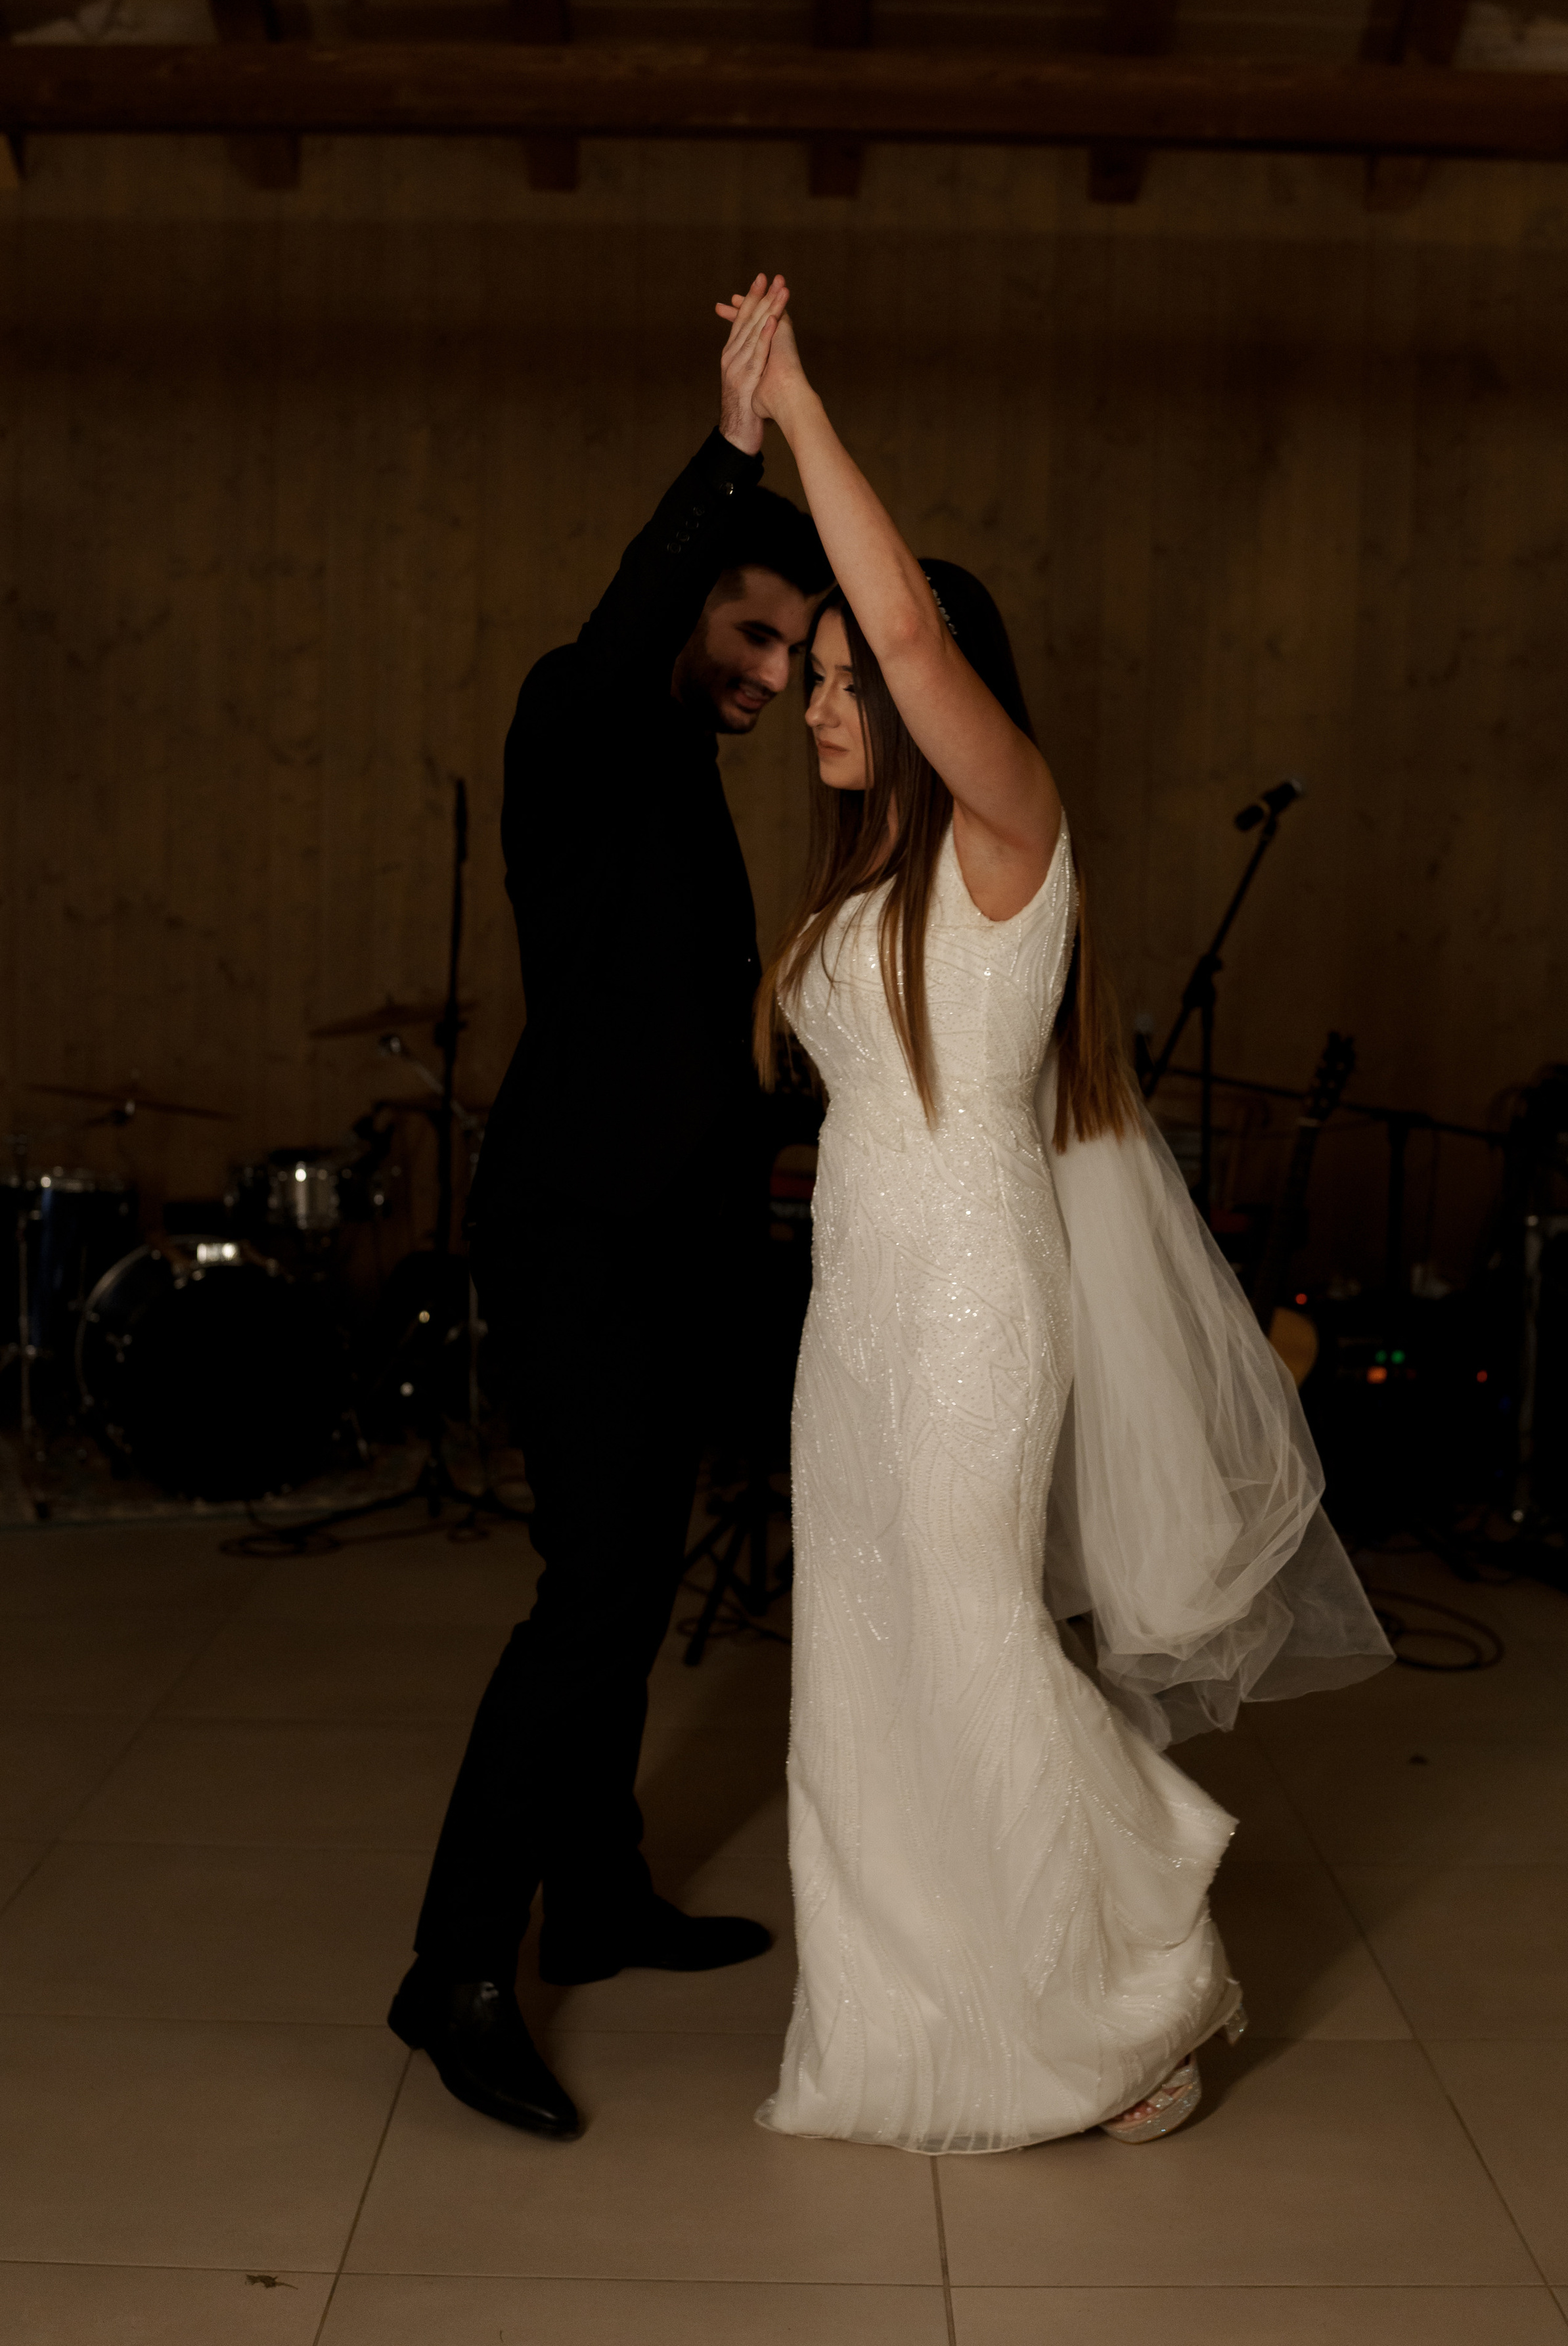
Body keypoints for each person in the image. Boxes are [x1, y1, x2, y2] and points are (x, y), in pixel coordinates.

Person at [723, 274, 1391, 2154]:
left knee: (974, 1635)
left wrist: (801, 415)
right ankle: (917, 2022)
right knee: (861, 1664)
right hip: (852, 1324)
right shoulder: (855, 898)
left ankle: (1141, 1980)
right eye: (821, 681)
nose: (830, 700)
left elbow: (922, 630)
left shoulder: (1012, 837)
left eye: (858, 677)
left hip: (970, 1317)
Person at [388, 282, 832, 2142]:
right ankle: (457, 1967)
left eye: (796, 647)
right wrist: (731, 448)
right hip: (576, 1238)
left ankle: (603, 1894)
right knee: (591, 1602)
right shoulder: (578, 721)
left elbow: (674, 1023)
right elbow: (637, 612)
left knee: (633, 1583)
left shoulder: (692, 790)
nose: (771, 670)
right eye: (751, 628)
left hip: (672, 1238)